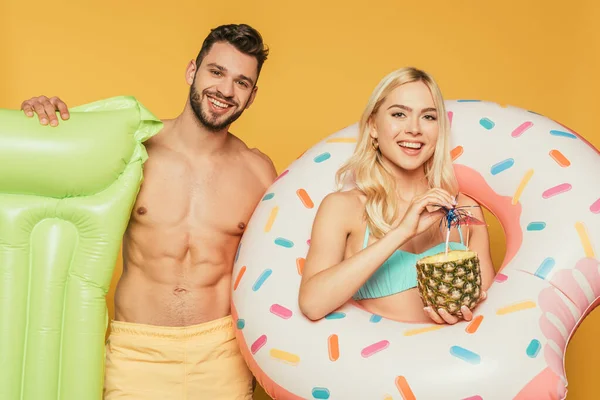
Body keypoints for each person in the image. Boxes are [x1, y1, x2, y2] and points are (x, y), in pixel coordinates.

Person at [21, 24, 277, 400]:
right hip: (138, 353)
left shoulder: (258, 171)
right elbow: (49, 180)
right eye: (216, 72)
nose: (225, 90)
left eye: (241, 82)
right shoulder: (133, 149)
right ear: (193, 71)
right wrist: (42, 121)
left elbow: (275, 270)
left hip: (222, 356)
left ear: (252, 96)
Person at [298, 67, 496, 325]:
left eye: (428, 117)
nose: (414, 129)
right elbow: (313, 304)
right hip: (379, 362)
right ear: (373, 126)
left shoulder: (465, 210)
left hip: (457, 360)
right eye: (399, 114)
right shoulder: (343, 208)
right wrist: (402, 232)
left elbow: (490, 310)